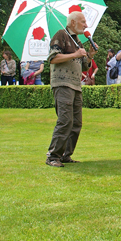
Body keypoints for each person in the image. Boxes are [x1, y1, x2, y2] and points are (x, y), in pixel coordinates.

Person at [45, 11, 95, 168]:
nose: (86, 25)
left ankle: (66, 155)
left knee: (76, 123)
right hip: (62, 83)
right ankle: (53, 156)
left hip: (75, 85)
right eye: (83, 22)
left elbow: (84, 66)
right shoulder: (61, 35)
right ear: (73, 22)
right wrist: (75, 53)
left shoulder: (78, 41)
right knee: (65, 120)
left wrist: (90, 55)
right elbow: (53, 58)